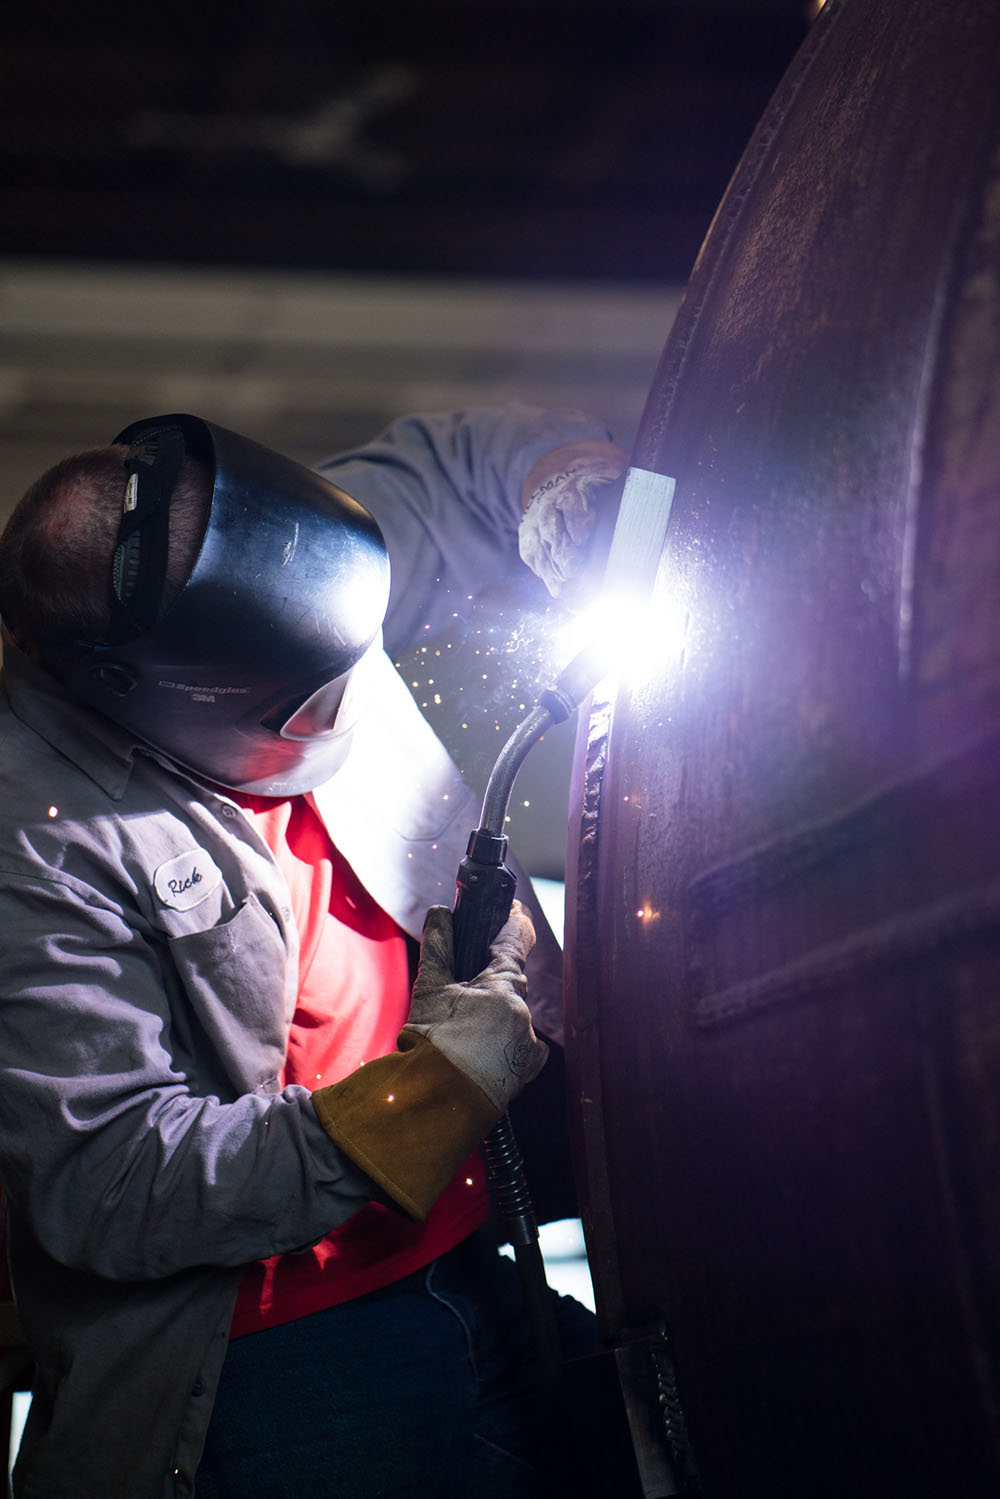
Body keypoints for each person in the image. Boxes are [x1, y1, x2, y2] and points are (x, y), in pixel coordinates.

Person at [0, 405, 628, 1499]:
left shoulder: (290, 567)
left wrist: (565, 486)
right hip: (285, 1357)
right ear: (166, 697)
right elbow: (108, 1180)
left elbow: (453, 467)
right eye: (322, 697)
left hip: (478, 1243)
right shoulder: (34, 837)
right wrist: (432, 1093)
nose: (364, 691)